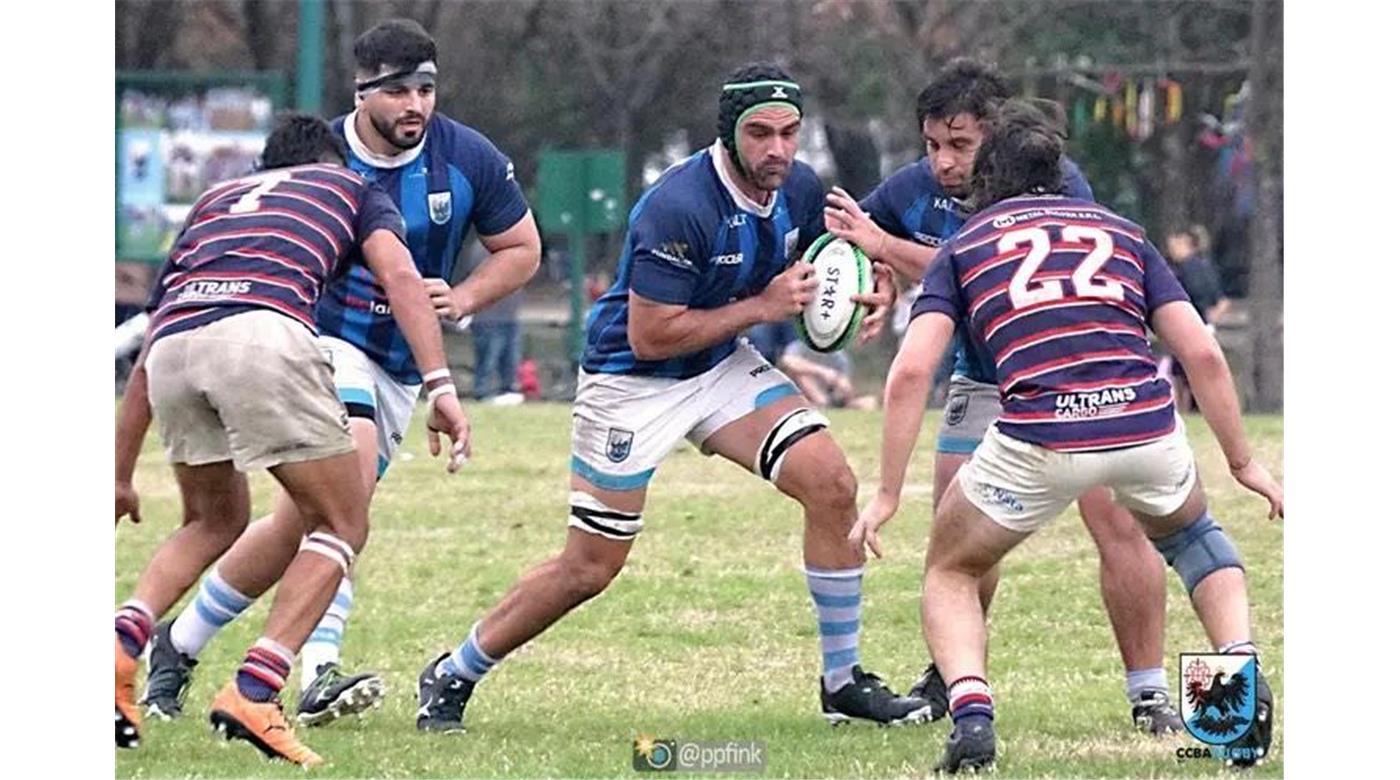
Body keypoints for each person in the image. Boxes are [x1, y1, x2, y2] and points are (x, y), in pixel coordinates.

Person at [412, 63, 927, 732]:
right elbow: (652, 336)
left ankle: (842, 683)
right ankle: (454, 672)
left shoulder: (797, 187)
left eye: (790, 132)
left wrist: (869, 290)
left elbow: (841, 257)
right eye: (761, 133)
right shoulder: (678, 204)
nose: (778, 149)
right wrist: (766, 305)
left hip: (718, 366)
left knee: (831, 484)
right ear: (729, 133)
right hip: (632, 382)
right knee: (590, 566)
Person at [852, 100, 1282, 772]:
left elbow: (910, 373)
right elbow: (1201, 354)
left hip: (1038, 435)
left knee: (952, 568)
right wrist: (1243, 461)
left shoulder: (964, 245)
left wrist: (884, 493)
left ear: (987, 177)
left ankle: (971, 717)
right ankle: (1235, 687)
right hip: (1143, 421)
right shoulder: (1124, 232)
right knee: (1197, 541)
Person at [138, 17, 541, 729]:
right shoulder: (318, 158)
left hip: (402, 365)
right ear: (362, 93)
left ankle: (179, 642)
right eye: (398, 93)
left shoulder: (467, 156)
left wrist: (468, 296)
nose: (415, 106)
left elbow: (522, 248)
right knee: (346, 501)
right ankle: (316, 669)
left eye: (426, 89)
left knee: (301, 521)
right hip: (322, 343)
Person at [822, 58, 1181, 734]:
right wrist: (874, 280)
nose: (942, 162)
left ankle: (1149, 691)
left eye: (959, 145)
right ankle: (954, 679)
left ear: (998, 134)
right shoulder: (916, 189)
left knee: (1118, 525)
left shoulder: (1055, 183)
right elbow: (856, 240)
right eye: (931, 145)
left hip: (1077, 374)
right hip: (983, 379)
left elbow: (983, 265)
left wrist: (886, 249)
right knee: (957, 536)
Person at [114, 114, 472, 765]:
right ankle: (257, 687)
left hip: (173, 352)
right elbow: (400, 279)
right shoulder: (352, 189)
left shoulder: (214, 202)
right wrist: (441, 386)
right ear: (333, 164)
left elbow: (151, 336)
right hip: (261, 337)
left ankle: (120, 647)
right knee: (340, 520)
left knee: (210, 521)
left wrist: (119, 471)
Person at [1162, 225, 1230, 411]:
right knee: (1200, 373)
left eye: (1174, 244)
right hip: (1205, 327)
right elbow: (1222, 301)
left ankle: (1183, 410)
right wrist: (1209, 322)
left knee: (1181, 374)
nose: (1172, 249)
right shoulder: (1206, 267)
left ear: (1185, 243)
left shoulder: (1182, 271)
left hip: (1185, 327)